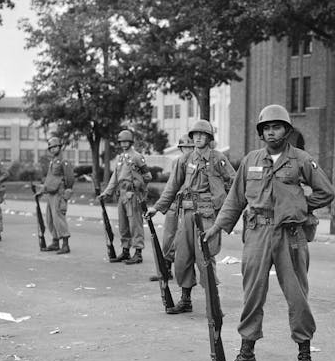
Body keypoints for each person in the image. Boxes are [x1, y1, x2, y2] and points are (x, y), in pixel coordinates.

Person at [203, 105, 334, 361]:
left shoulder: (300, 159)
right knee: (252, 294)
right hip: (257, 233)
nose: (271, 132)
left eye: (277, 127)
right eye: (267, 128)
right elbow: (236, 199)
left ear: (287, 130)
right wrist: (217, 226)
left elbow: (326, 191)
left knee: (298, 296)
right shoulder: (251, 160)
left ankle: (305, 356)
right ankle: (247, 354)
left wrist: (300, 206)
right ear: (261, 132)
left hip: (291, 235)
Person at [146, 120, 235, 314]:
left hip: (207, 217)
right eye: (195, 135)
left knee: (205, 258)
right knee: (182, 258)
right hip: (186, 214)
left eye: (203, 135)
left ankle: (214, 303)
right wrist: (157, 207)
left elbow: (235, 183)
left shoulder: (217, 158)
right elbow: (172, 187)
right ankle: (185, 300)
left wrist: (223, 205)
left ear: (209, 138)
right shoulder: (184, 160)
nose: (198, 138)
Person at [100, 130, 153, 264]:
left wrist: (139, 186)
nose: (123, 144)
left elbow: (148, 176)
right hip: (121, 194)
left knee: (135, 224)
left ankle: (138, 252)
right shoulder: (120, 158)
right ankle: (125, 251)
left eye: (125, 141)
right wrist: (107, 192)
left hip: (132, 195)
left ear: (130, 142)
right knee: (123, 225)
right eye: (121, 142)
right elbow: (115, 177)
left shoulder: (137, 157)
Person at [149, 135, 195, 282]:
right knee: (168, 237)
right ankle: (166, 269)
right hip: (174, 203)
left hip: (189, 205)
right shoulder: (177, 161)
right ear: (181, 148)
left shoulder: (198, 162)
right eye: (185, 147)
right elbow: (171, 186)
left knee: (184, 240)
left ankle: (188, 271)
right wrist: (159, 206)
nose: (187, 150)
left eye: (190, 147)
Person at [39, 137, 75, 254]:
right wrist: (43, 189)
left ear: (60, 147)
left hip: (59, 194)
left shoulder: (64, 161)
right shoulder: (53, 161)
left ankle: (65, 244)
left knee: (59, 219)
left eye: (55, 147)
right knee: (50, 219)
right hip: (50, 194)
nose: (54, 149)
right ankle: (55, 242)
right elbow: (50, 178)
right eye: (51, 148)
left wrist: (66, 192)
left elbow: (70, 178)